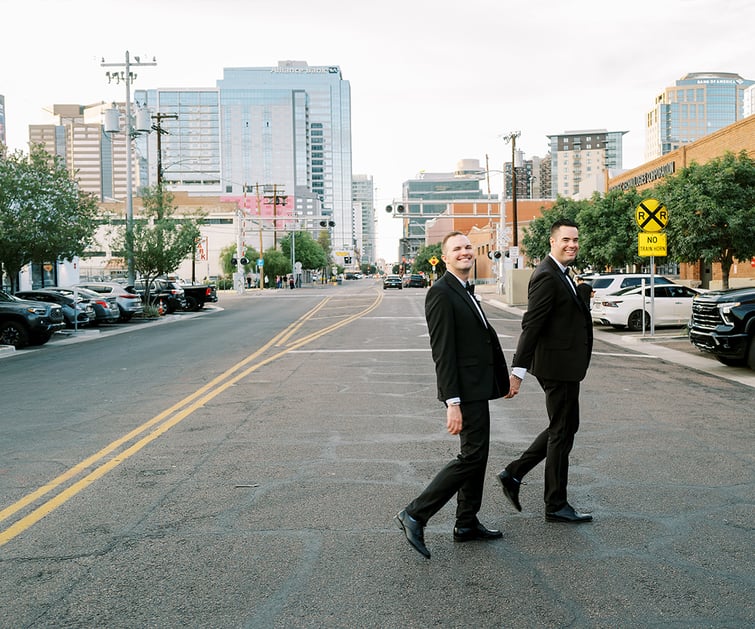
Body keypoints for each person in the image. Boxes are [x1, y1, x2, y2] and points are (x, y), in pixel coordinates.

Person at [395, 231, 510, 558]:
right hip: (465, 391)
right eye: (457, 249)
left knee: (479, 455)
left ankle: (466, 522)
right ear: (444, 257)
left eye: (468, 247)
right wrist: (452, 402)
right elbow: (443, 353)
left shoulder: (463, 289)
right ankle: (415, 513)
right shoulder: (442, 293)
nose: (465, 252)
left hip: (478, 387)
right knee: (471, 457)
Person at [498, 218, 594, 524]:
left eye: (575, 240)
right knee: (561, 432)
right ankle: (555, 503)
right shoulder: (546, 276)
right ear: (552, 241)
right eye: (566, 239)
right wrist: (517, 371)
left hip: (565, 365)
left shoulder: (563, 274)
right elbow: (532, 326)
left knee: (563, 427)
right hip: (557, 367)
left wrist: (582, 296)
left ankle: (514, 473)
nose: (572, 245)